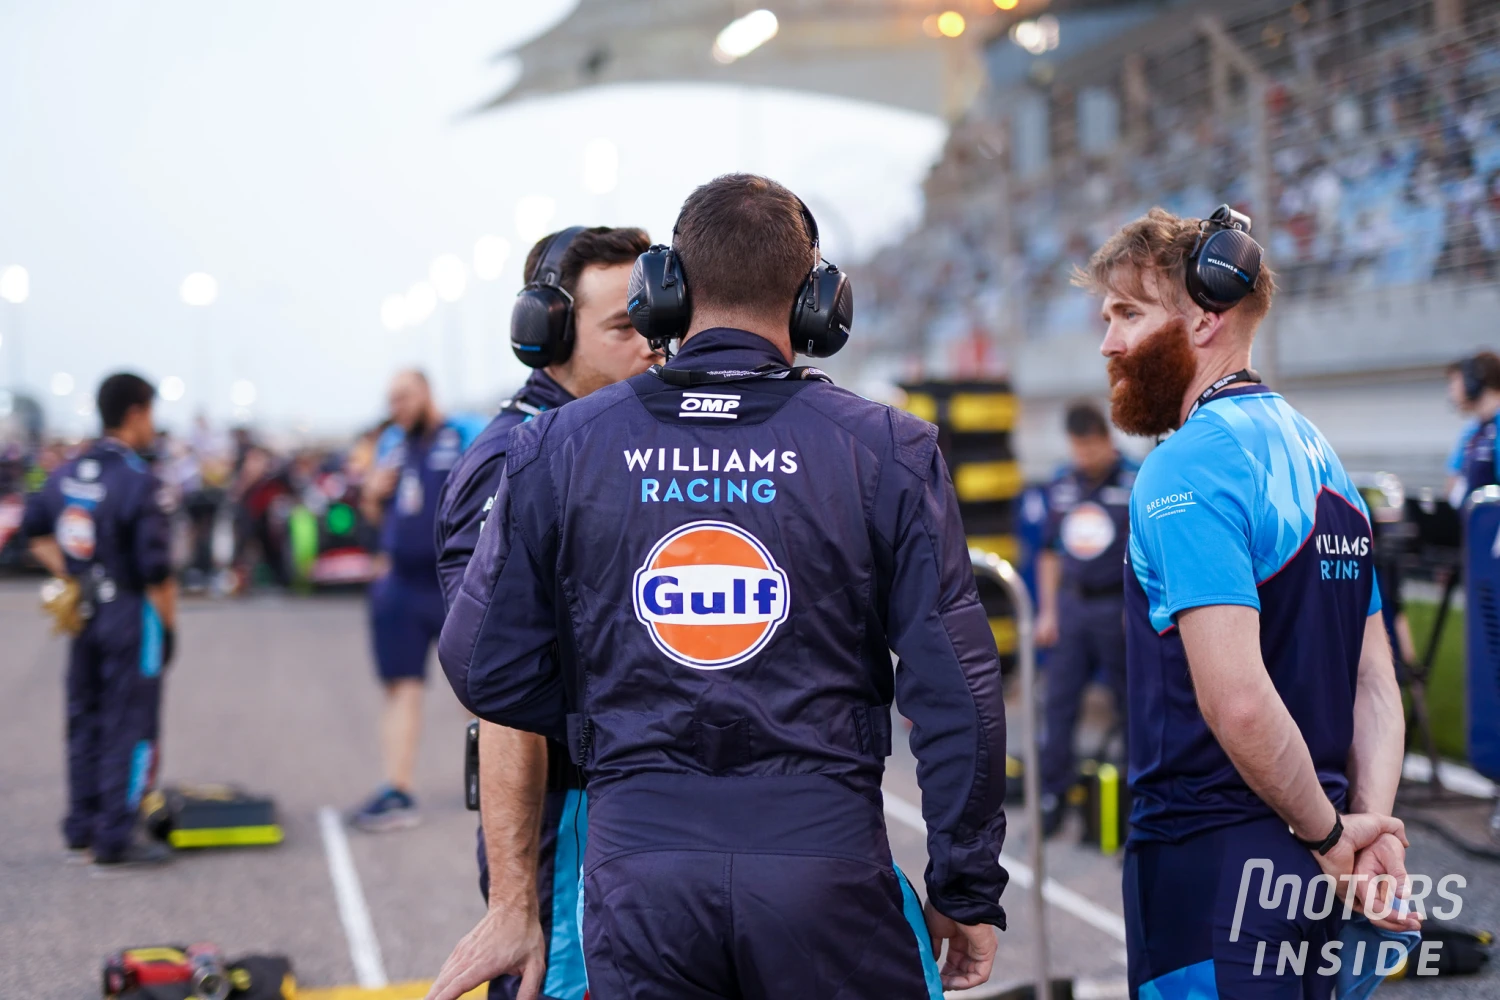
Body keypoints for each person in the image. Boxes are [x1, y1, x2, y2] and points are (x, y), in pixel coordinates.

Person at [438, 174, 1007, 999]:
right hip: (826, 864)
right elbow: (958, 691)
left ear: (664, 288)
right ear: (819, 303)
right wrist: (964, 886)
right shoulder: (889, 447)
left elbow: (485, 668)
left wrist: (613, 691)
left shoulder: (559, 446)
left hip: (638, 873)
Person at [1081, 206, 1419, 999]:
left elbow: (1235, 701)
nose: (1108, 344)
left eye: (1129, 313)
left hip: (1213, 872)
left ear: (1206, 315)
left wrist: (1337, 838)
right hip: (1316, 865)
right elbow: (1377, 683)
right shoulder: (1324, 457)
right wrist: (1363, 832)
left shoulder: (1184, 467)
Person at [427, 225, 657, 1000]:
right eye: (625, 328)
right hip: (563, 831)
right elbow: (505, 692)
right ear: (548, 333)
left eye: (656, 322)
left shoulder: (606, 443)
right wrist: (513, 903)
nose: (652, 346)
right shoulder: (517, 461)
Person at [22, 373, 178, 873]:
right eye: (150, 413)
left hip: (84, 610)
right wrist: (169, 630)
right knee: (131, 723)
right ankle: (114, 835)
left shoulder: (69, 470)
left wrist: (74, 574)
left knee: (84, 717)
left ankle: (82, 827)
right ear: (135, 413)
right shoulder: (136, 477)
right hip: (129, 611)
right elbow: (158, 572)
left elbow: (33, 532)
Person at [347, 371, 480, 830]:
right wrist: (370, 493)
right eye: (391, 400)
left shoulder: (465, 432)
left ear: (426, 391)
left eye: (404, 397)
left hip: (454, 582)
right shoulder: (391, 443)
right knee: (400, 686)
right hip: (401, 583)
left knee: (477, 689)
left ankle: (495, 779)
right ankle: (397, 788)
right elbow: (372, 508)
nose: (398, 407)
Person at [1034, 401, 1135, 837]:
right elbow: (1049, 552)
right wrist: (1048, 612)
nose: (1085, 455)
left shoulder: (1135, 481)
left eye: (1092, 445)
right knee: (1059, 704)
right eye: (1078, 447)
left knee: (1131, 705)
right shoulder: (1062, 486)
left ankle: (1135, 804)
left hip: (1119, 609)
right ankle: (1054, 795)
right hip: (1073, 608)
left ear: (1107, 440)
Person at [1446, 351, 1500, 506]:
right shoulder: (1472, 432)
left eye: (1454, 382)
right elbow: (1452, 483)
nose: (1451, 391)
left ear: (1473, 382)